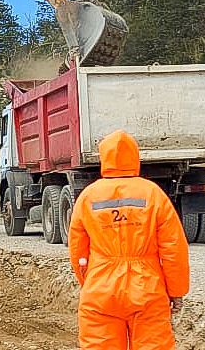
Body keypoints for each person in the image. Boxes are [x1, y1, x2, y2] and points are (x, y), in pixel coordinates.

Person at [68, 129, 190, 350]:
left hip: (100, 290)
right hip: (147, 289)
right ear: (135, 157)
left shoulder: (88, 196)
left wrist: (90, 282)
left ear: (104, 158)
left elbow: (77, 249)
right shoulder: (153, 194)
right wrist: (176, 291)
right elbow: (173, 249)